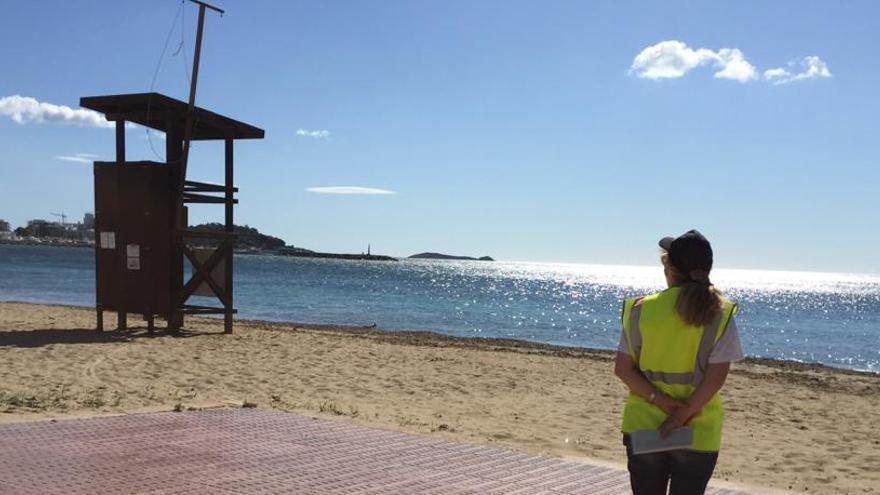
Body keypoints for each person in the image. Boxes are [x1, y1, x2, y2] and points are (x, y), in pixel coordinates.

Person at [614, 230, 744, 495]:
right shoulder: (720, 313)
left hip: (647, 424)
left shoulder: (641, 310)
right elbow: (715, 379)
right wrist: (681, 417)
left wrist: (660, 401)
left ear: (669, 267)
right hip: (698, 429)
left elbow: (623, 369)